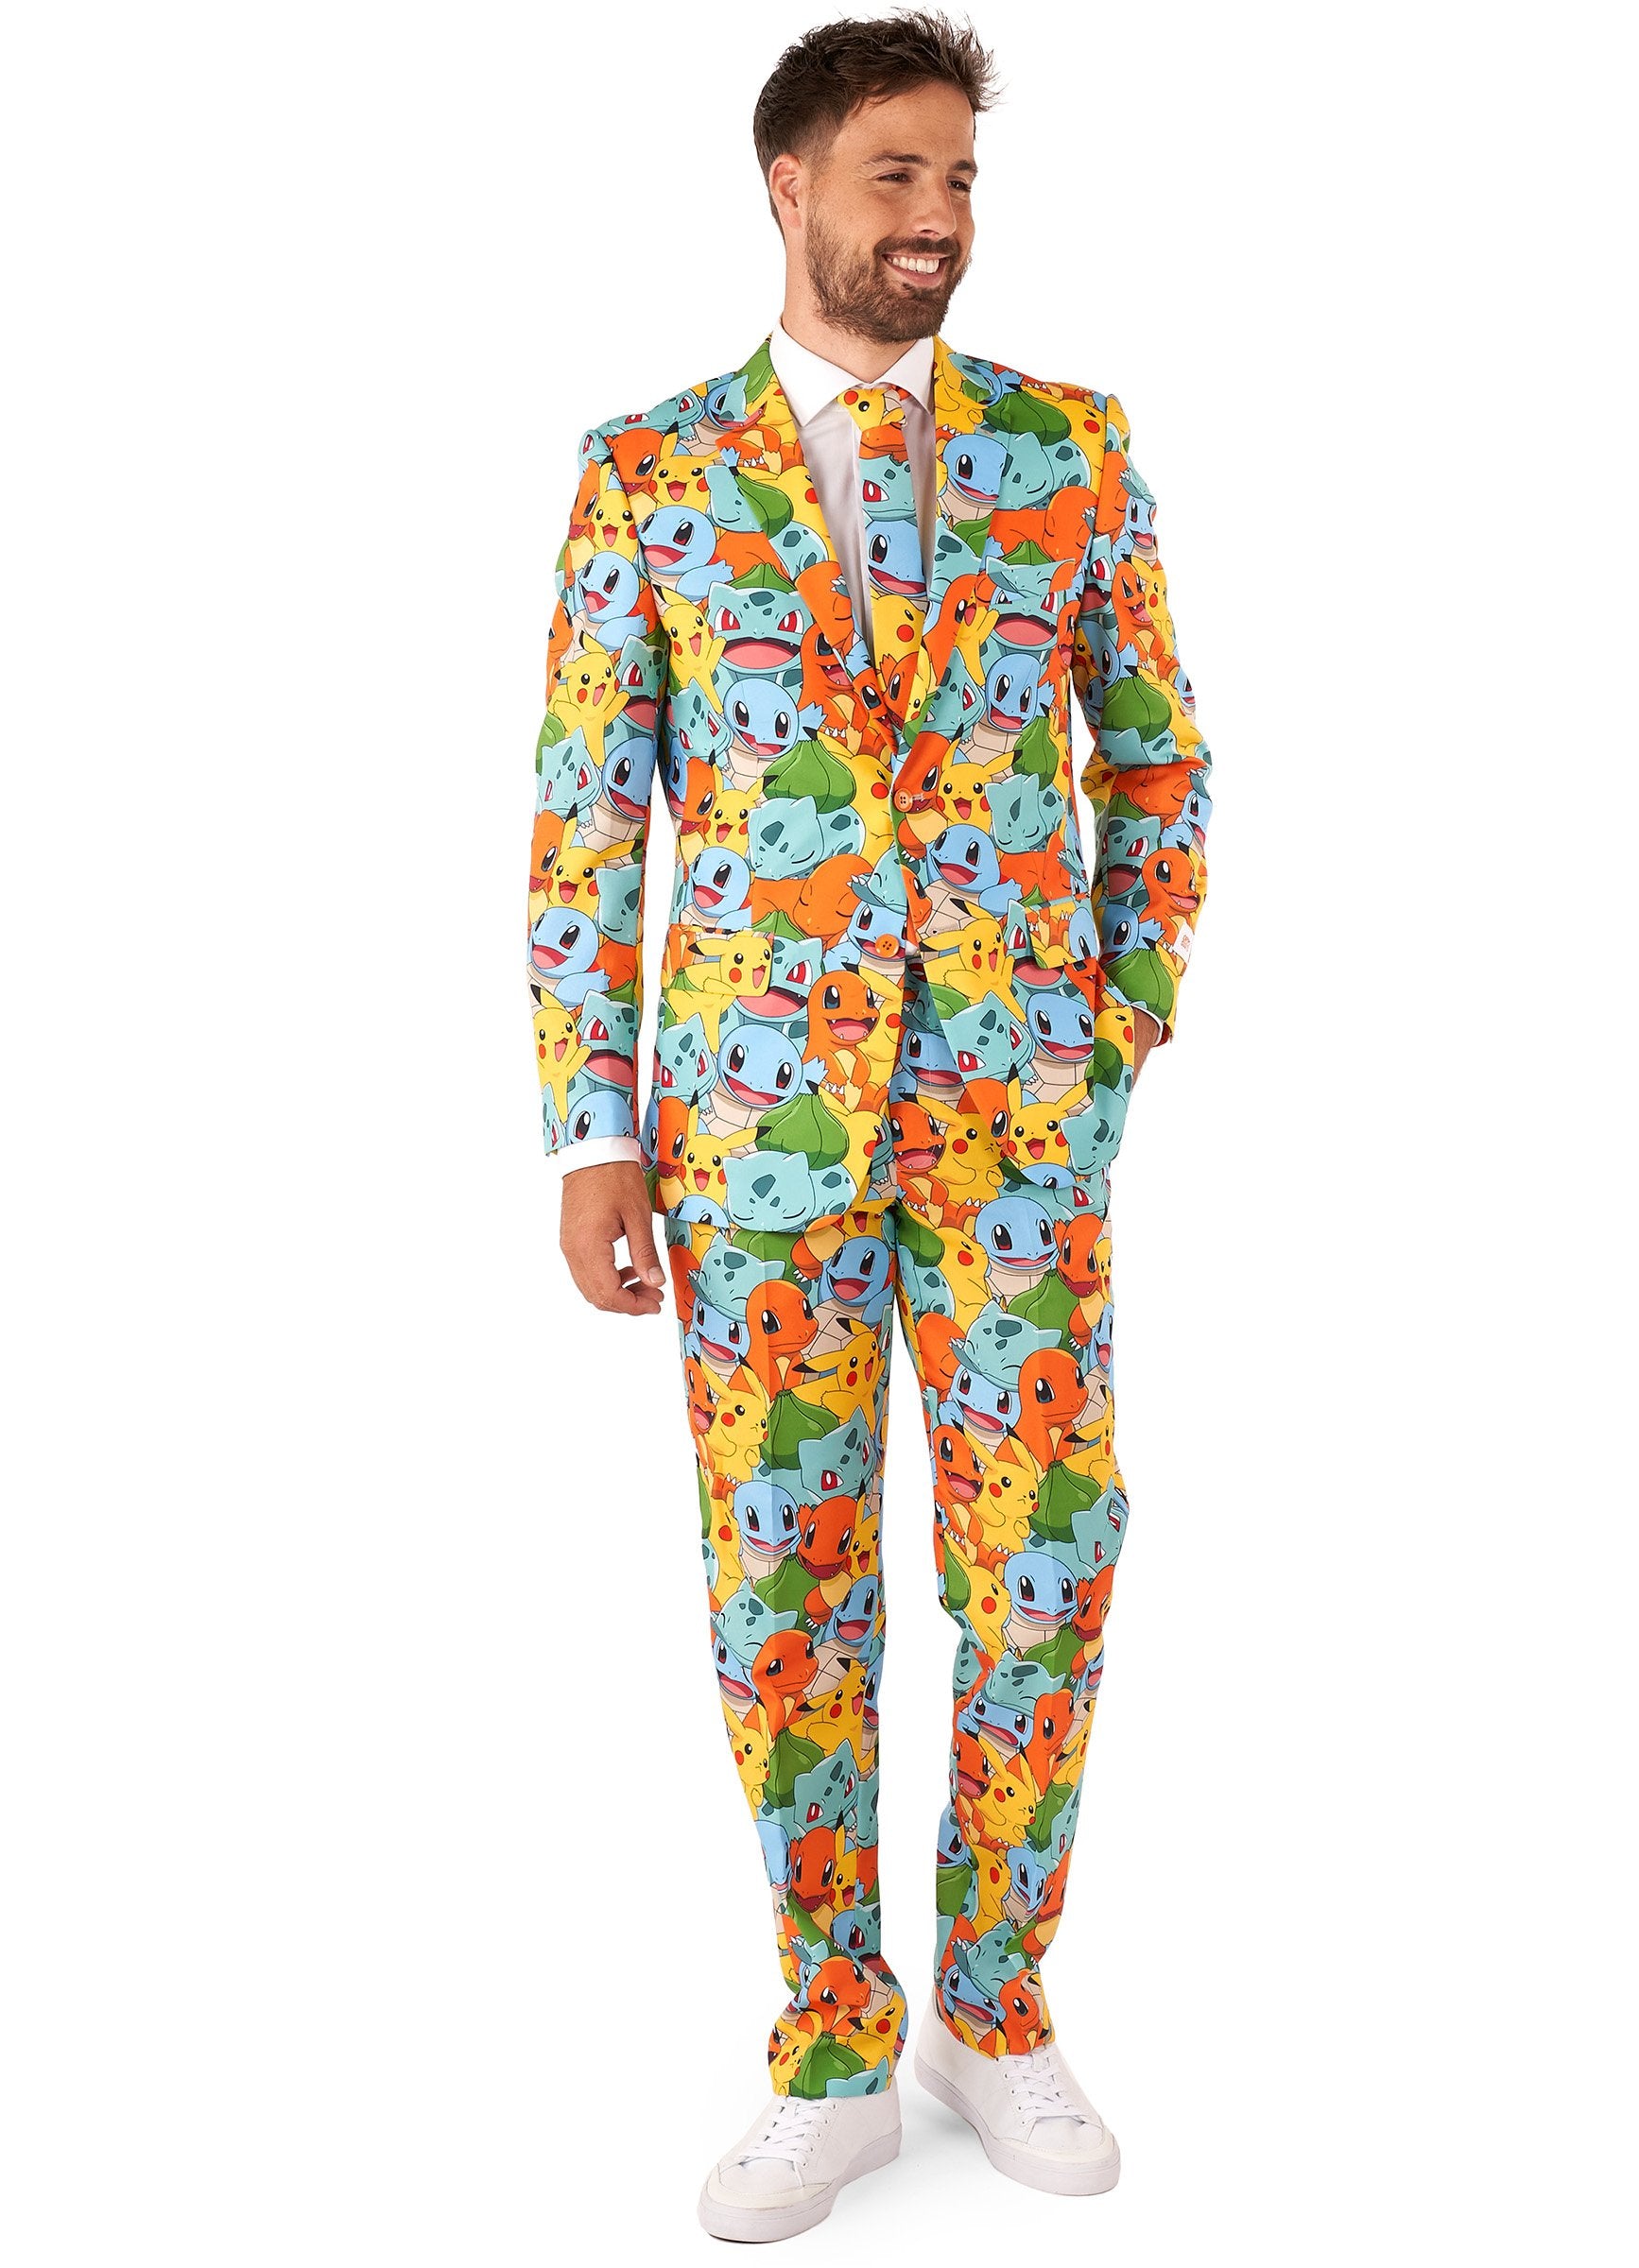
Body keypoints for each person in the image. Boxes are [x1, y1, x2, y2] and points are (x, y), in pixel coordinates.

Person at [525, 9, 1213, 2242]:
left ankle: (991, 2007)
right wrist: (592, 1131)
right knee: (787, 1594)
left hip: (1016, 1133)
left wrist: (1113, 1024)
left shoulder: (1067, 450)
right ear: (789, 186)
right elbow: (586, 827)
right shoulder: (647, 473)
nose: (935, 219)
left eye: (960, 181)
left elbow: (1155, 758)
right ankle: (831, 2035)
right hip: (751, 1146)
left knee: (1047, 1559)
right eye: (895, 175)